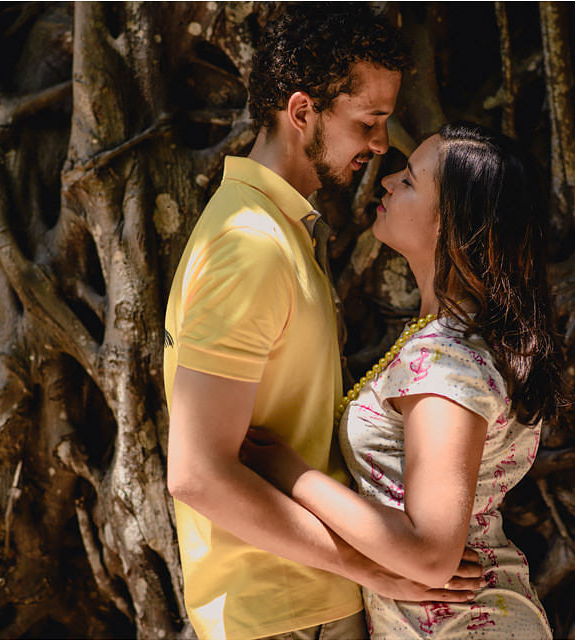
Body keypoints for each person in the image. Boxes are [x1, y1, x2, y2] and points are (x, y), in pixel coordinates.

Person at [163, 7, 483, 640]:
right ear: (303, 111)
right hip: (286, 611)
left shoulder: (278, 231)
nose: (382, 144)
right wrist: (373, 568)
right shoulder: (250, 248)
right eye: (368, 121)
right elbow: (198, 473)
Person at [242, 122, 564, 639]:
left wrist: (288, 472)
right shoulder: (455, 339)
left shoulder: (447, 360)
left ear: (449, 225)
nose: (388, 181)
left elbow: (431, 555)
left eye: (410, 180)